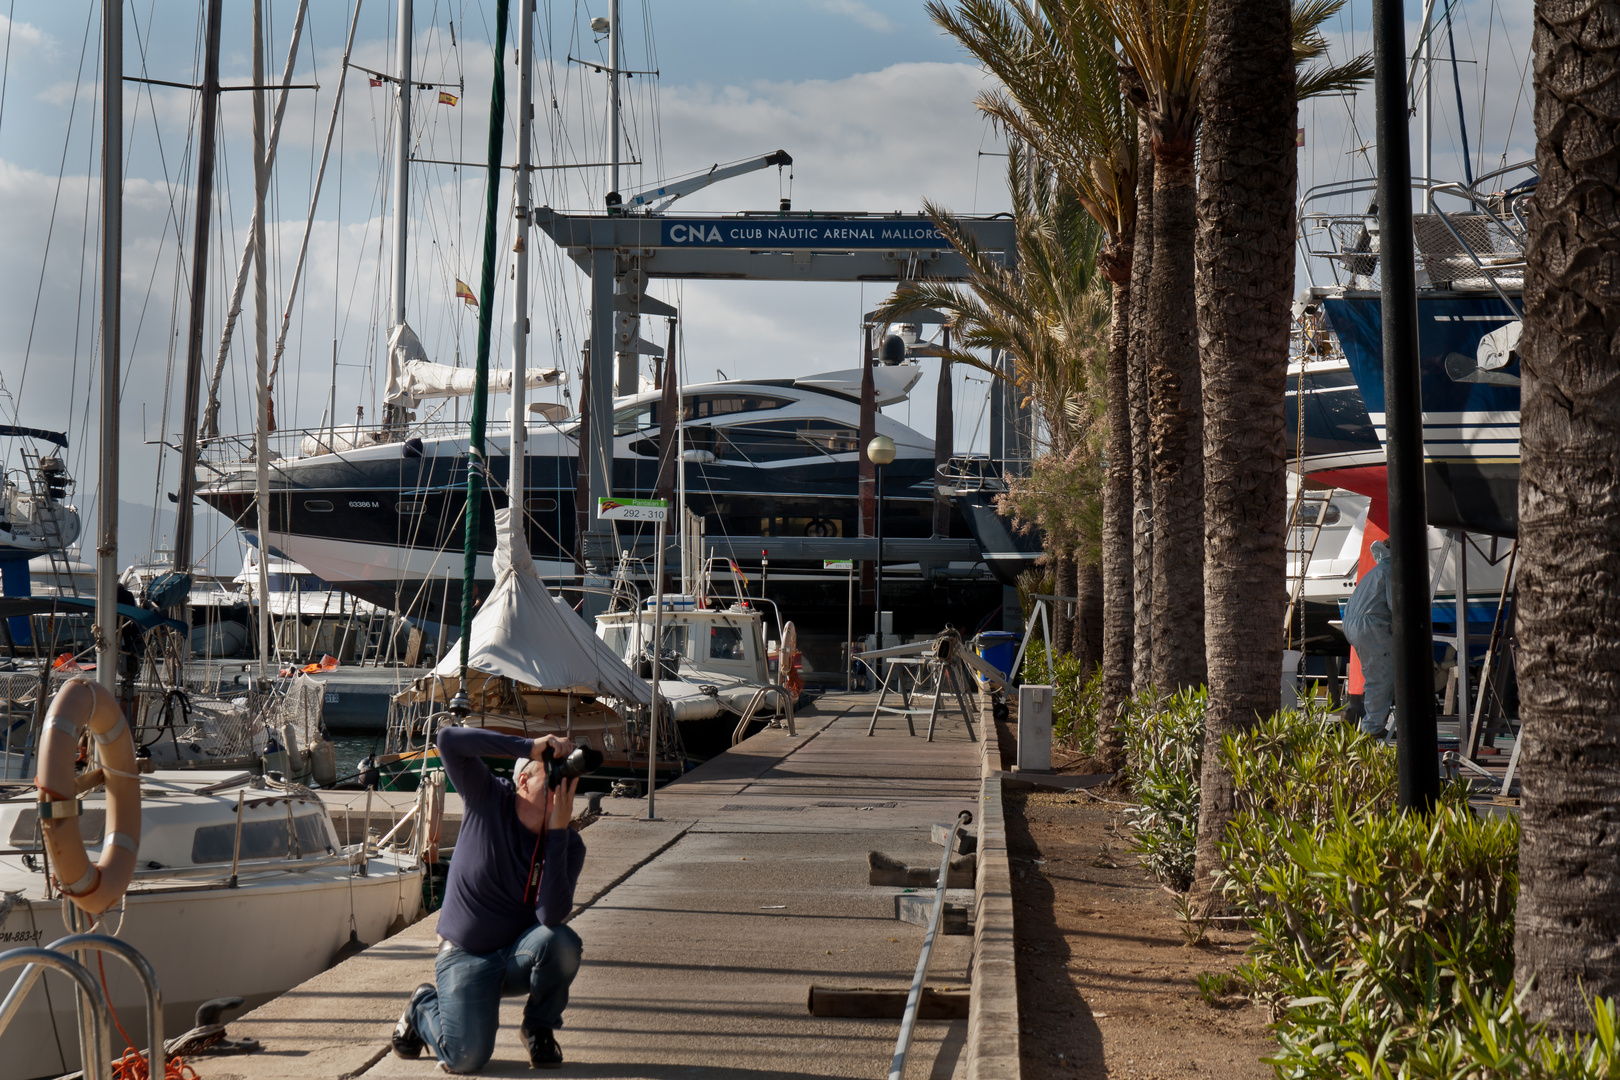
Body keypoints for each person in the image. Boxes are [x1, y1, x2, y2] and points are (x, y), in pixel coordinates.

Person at [392, 726, 586, 1071]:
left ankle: (539, 1028)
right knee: (465, 1058)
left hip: (516, 957)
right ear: (523, 782)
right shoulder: (488, 798)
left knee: (564, 943)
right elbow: (447, 740)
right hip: (466, 955)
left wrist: (557, 831)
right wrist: (530, 746)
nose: (559, 790)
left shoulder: (568, 845)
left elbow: (551, 916)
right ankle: (424, 1006)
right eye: (551, 780)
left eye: (565, 783)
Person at [1341, 539, 1395, 739]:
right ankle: (1371, 728)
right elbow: (1396, 607)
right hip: (1370, 625)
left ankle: (1373, 723)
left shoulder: (1376, 570)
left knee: (1376, 673)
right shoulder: (1390, 571)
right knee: (1381, 676)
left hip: (1356, 623)